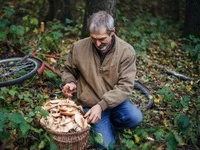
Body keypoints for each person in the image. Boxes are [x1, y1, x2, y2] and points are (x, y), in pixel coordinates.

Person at [61, 11, 143, 149]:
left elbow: (125, 86)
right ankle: (101, 128)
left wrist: (102, 105)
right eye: (93, 38)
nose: (97, 43)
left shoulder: (126, 51)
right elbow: (68, 70)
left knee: (135, 117)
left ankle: (107, 125)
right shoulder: (78, 47)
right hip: (89, 103)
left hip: (114, 102)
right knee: (106, 146)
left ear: (112, 32)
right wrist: (70, 82)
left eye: (102, 39)